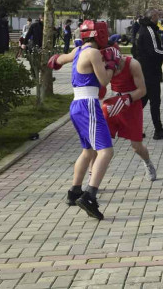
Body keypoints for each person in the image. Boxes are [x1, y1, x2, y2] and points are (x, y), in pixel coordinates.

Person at [47, 20, 118, 220]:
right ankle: (89, 195)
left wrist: (55, 60)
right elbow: (104, 80)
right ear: (99, 35)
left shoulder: (78, 50)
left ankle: (74, 191)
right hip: (88, 105)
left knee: (88, 151)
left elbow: (60, 59)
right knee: (106, 151)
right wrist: (111, 63)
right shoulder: (93, 53)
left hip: (76, 105)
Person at [99, 41, 155, 181]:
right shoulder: (102, 63)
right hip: (112, 104)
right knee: (99, 143)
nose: (114, 71)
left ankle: (148, 163)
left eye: (115, 66)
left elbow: (142, 91)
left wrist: (126, 99)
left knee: (136, 146)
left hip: (132, 103)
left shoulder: (133, 64)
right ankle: (92, 175)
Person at [133, 9, 163, 140]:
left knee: (142, 101)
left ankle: (134, 129)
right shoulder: (149, 30)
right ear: (152, 17)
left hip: (144, 69)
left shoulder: (141, 29)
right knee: (154, 101)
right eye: (157, 16)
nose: (158, 18)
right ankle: (158, 130)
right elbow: (155, 50)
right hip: (150, 71)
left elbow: (136, 49)